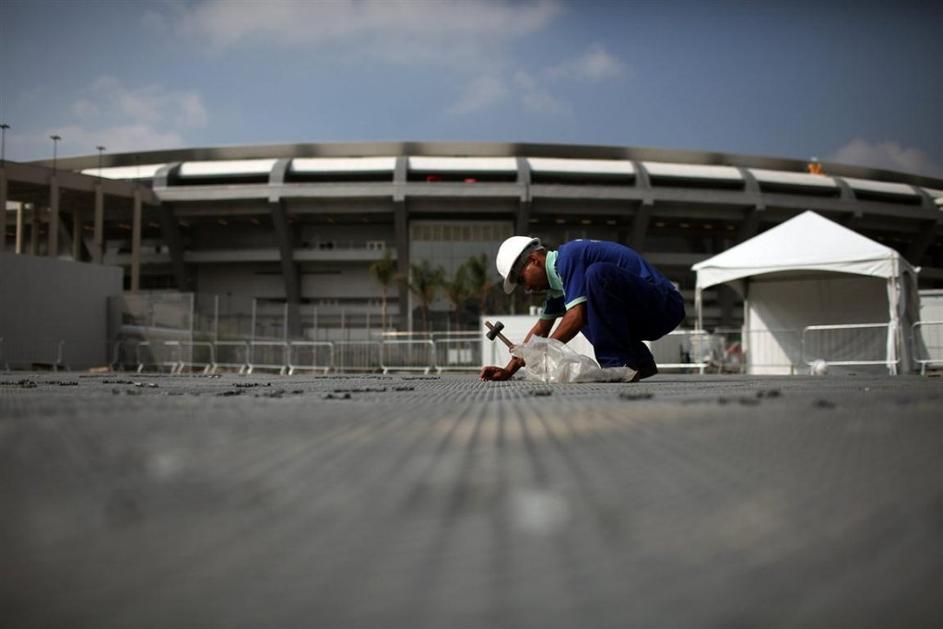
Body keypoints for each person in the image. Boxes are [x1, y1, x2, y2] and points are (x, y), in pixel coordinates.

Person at [480, 236, 685, 382]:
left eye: (521, 280)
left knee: (596, 277)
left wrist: (540, 351)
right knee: (580, 303)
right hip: (644, 314)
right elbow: (541, 329)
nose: (526, 289)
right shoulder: (559, 288)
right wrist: (509, 370)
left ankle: (617, 365)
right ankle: (640, 362)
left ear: (534, 260)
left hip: (665, 306)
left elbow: (576, 317)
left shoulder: (569, 257)